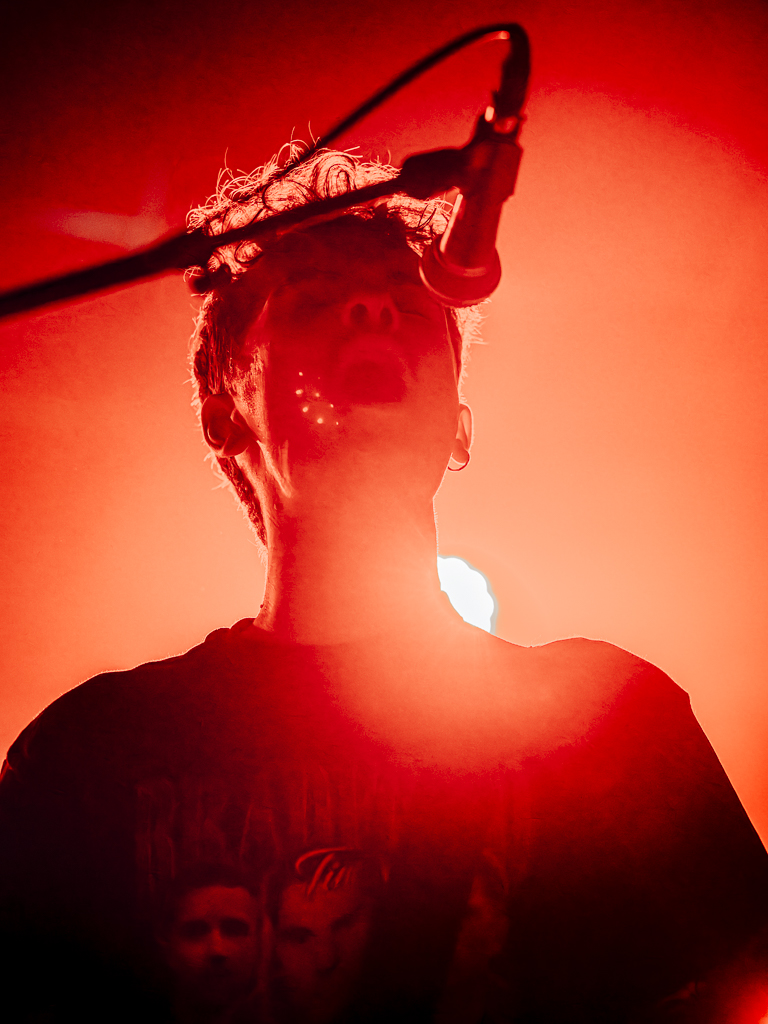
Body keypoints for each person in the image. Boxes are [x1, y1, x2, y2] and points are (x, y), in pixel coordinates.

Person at [1, 145, 768, 1024]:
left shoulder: (609, 724)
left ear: (459, 427)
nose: (371, 310)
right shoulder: (90, 752)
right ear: (224, 415)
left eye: (410, 305)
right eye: (314, 301)